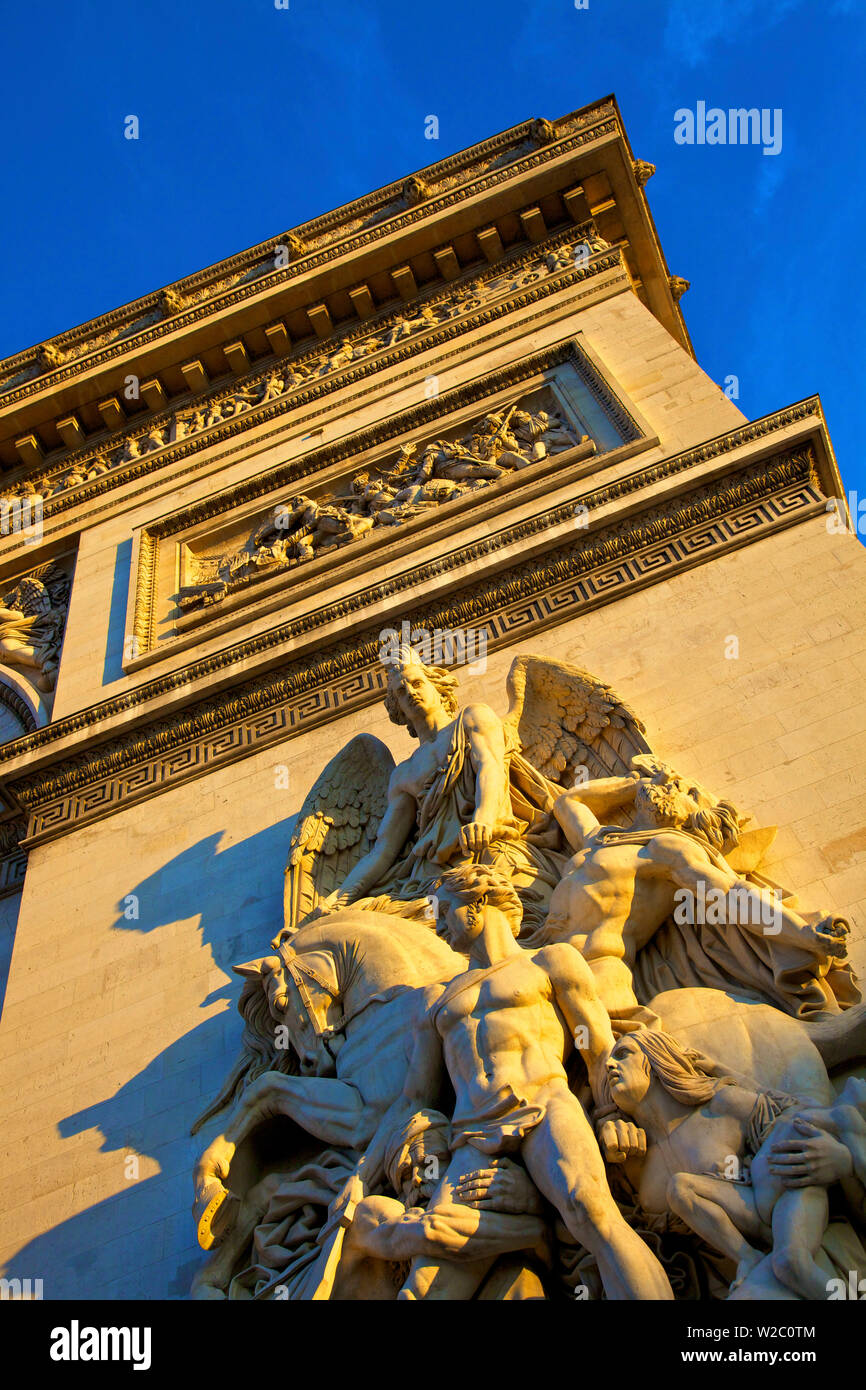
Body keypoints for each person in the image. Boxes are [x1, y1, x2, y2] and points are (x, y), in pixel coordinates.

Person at [360, 862, 673, 1301]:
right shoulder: (437, 999)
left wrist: (609, 1113)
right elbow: (414, 1098)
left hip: (545, 1105)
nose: (438, 930)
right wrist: (361, 1177)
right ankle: (532, 1234)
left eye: (443, 912)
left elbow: (598, 1048)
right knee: (428, 1287)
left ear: (475, 905)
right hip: (471, 1136)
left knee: (593, 1213)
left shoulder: (551, 961)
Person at [535, 757, 854, 1022]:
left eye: (686, 789)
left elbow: (732, 895)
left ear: (688, 819)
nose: (672, 782)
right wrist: (635, 781)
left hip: (596, 971)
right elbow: (568, 801)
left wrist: (802, 932)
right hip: (541, 955)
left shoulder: (667, 849)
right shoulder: (601, 839)